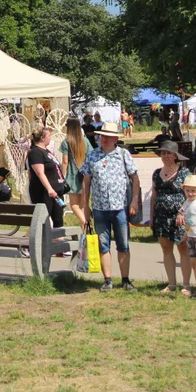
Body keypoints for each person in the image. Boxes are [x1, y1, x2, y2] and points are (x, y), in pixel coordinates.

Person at [80, 122, 141, 292]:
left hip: (120, 207)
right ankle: (107, 280)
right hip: (100, 208)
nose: (103, 139)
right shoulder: (92, 156)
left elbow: (135, 178)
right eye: (101, 136)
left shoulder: (123, 155)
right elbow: (86, 181)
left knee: (123, 244)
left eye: (106, 136)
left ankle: (126, 280)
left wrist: (134, 201)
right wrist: (85, 205)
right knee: (103, 244)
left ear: (115, 139)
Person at [151, 141, 192, 293]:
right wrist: (151, 216)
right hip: (161, 216)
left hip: (179, 216)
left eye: (169, 153)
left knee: (183, 248)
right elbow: (154, 195)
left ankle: (186, 284)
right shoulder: (156, 173)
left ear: (175, 156)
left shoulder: (185, 173)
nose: (166, 156)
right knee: (166, 249)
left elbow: (191, 196)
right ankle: (171, 284)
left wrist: (182, 212)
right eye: (163, 153)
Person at [28, 124, 65, 228]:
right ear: (42, 138)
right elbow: (40, 173)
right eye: (49, 136)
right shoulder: (35, 152)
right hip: (44, 192)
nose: (50, 138)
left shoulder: (46, 151)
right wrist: (49, 189)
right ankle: (42, 242)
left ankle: (58, 242)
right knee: (46, 222)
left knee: (58, 221)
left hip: (57, 191)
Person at [59, 117, 91, 229]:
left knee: (74, 205)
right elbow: (90, 157)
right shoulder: (85, 141)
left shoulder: (66, 142)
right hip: (85, 176)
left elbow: (65, 162)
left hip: (73, 176)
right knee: (83, 206)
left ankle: (86, 224)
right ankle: (85, 233)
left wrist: (62, 177)